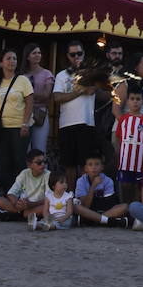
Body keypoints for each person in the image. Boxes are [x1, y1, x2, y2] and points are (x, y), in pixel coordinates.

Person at [51, 41, 99, 184]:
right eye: (73, 54)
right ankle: (71, 196)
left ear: (84, 54)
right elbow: (57, 97)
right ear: (68, 56)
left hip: (86, 123)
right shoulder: (61, 75)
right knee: (69, 164)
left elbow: (91, 90)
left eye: (79, 53)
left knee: (86, 164)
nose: (76, 57)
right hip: (67, 124)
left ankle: (84, 197)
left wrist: (81, 78)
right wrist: (79, 91)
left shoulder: (91, 72)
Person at [0, 49, 34, 191]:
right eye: (8, 58)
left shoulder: (23, 80)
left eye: (14, 58)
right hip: (2, 128)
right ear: (1, 63)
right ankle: (8, 193)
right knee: (5, 162)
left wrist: (25, 124)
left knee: (18, 161)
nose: (12, 61)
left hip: (19, 126)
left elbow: (30, 102)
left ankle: (21, 193)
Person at [112, 88, 143, 207]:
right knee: (125, 185)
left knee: (137, 185)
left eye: (138, 99)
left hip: (140, 162)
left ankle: (136, 210)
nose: (135, 102)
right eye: (132, 99)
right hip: (124, 161)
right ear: (128, 102)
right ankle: (124, 209)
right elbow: (119, 137)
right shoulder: (123, 119)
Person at [0, 149, 49, 221]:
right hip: (22, 207)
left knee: (46, 207)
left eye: (45, 162)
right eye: (39, 163)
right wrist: (16, 203)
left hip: (36, 206)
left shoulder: (48, 175)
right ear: (29, 164)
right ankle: (21, 215)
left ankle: (13, 215)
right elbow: (11, 193)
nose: (43, 164)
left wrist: (30, 204)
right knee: (0, 200)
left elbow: (49, 198)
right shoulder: (24, 173)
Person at [74, 153, 129, 226]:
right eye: (90, 165)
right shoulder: (81, 181)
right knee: (75, 206)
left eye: (97, 164)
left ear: (102, 167)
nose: (94, 167)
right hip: (88, 210)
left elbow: (108, 203)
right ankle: (107, 221)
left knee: (125, 206)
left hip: (104, 210)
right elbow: (85, 206)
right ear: (85, 168)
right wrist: (93, 186)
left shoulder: (108, 181)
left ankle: (92, 221)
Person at [21, 43, 56, 155]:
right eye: (34, 53)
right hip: (23, 114)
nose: (37, 55)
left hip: (39, 114)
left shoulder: (47, 74)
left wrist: (28, 95)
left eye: (39, 53)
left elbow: (46, 94)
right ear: (27, 56)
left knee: (39, 148)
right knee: (24, 148)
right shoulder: (22, 75)